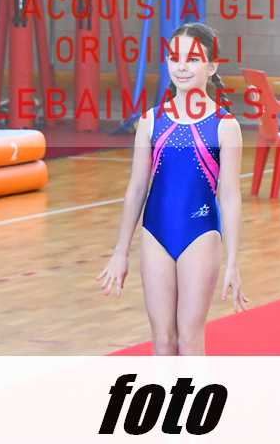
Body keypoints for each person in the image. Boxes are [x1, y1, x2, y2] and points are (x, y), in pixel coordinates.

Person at [96, 22, 248, 355]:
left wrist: (233, 261)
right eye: (174, 57)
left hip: (200, 233)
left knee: (189, 339)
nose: (181, 66)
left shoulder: (225, 126)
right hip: (156, 233)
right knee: (163, 339)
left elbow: (230, 196)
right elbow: (137, 188)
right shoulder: (151, 121)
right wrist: (120, 251)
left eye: (192, 59)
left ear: (212, 66)